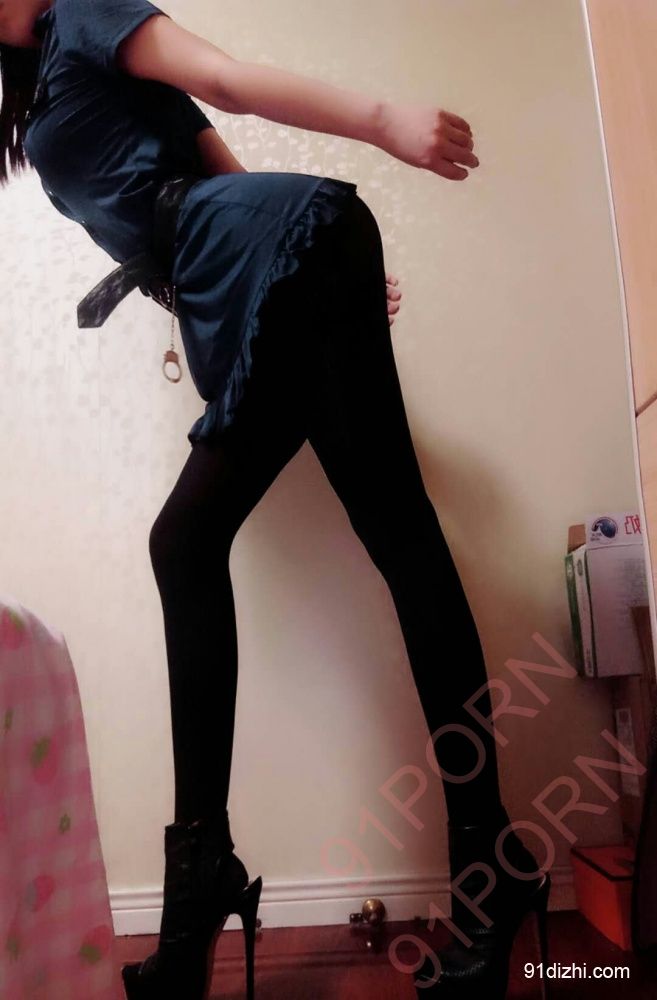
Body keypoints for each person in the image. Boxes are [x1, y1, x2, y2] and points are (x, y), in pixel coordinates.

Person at [0, 2, 550, 997]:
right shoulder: (38, 83)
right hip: (261, 260)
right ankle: (486, 862)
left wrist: (383, 124)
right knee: (388, 537)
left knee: (214, 543)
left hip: (273, 247)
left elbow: (221, 83)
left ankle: (203, 893)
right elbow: (211, 172)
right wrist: (305, 262)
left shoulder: (83, 12)